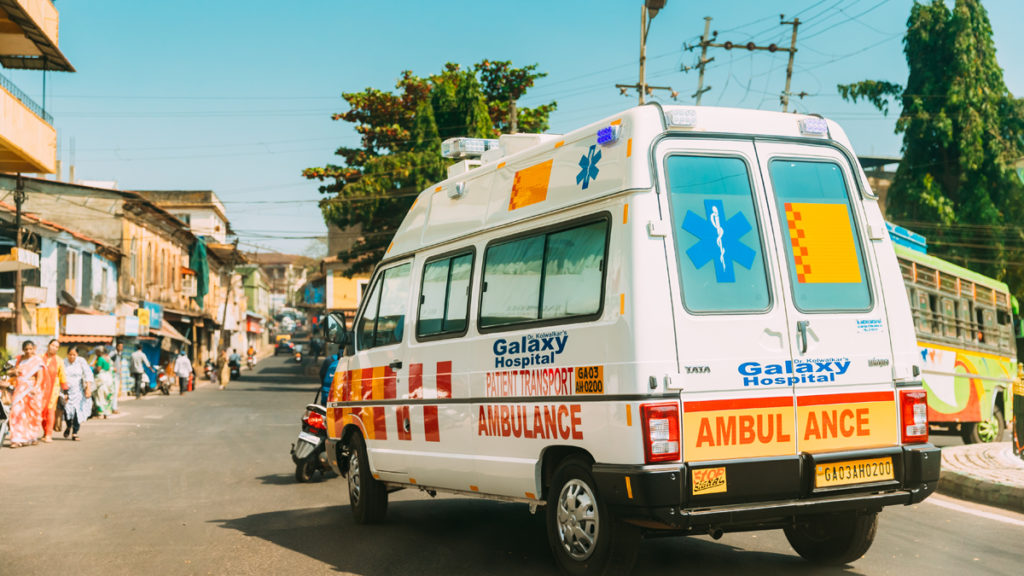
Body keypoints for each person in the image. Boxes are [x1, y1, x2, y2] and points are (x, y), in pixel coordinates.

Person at [7, 340, 46, 448]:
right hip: (20, 389)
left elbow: (40, 377)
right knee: (16, 412)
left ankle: (31, 436)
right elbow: (8, 371)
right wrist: (14, 372)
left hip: (32, 389)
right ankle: (16, 439)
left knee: (32, 415)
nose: (28, 351)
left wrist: (35, 388)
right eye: (26, 349)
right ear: (23, 350)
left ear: (34, 349)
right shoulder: (19, 359)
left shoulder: (37, 360)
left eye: (30, 349)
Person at [62, 346, 94, 441]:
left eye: (74, 355)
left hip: (78, 390)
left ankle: (75, 432)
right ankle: (68, 426)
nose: (72, 357)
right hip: (66, 390)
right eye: (70, 355)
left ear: (77, 355)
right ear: (67, 354)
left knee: (77, 411)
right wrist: (64, 391)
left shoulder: (81, 361)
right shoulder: (63, 362)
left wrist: (88, 388)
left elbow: (88, 373)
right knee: (67, 411)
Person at [40, 339, 66, 442]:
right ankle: (45, 431)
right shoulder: (40, 358)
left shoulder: (59, 360)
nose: (54, 348)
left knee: (50, 410)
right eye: (53, 345)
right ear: (48, 345)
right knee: (42, 411)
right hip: (41, 389)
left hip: (53, 390)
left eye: (56, 347)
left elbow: (62, 376)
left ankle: (49, 434)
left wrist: (65, 391)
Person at [92, 349, 115, 418]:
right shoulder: (108, 358)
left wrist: (94, 369)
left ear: (99, 352)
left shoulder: (100, 359)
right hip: (108, 380)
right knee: (106, 397)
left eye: (96, 352)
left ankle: (101, 413)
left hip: (101, 380)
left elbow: (98, 369)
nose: (95, 353)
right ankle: (107, 413)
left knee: (100, 396)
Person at [109, 341, 127, 414]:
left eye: (122, 347)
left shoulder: (120, 354)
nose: (121, 348)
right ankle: (113, 408)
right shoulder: (113, 354)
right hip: (113, 376)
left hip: (118, 375)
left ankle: (114, 407)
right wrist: (113, 368)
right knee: (114, 392)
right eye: (120, 346)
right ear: (117, 346)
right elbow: (108, 361)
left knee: (115, 392)